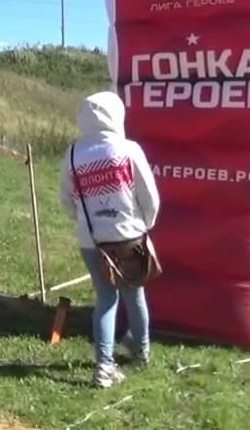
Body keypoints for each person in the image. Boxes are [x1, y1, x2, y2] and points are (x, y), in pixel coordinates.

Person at [59, 91, 160, 388]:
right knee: (134, 296)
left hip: (91, 240)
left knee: (105, 300)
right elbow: (150, 198)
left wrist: (84, 222)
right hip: (129, 237)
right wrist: (144, 225)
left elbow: (66, 199)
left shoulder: (73, 154)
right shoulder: (128, 150)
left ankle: (103, 368)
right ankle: (140, 352)